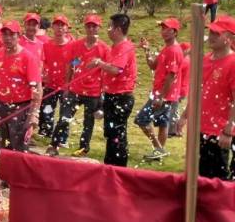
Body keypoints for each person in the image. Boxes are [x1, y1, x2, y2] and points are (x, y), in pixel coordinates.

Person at [179, 16, 235, 179]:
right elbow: (197, 92)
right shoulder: (204, 60)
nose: (211, 36)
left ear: (229, 38)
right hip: (199, 129)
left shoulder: (232, 63)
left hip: (218, 132)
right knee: (197, 177)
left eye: (217, 34)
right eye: (210, 32)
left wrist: (228, 130)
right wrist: (184, 117)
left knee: (216, 180)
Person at [0, 21, 41, 152]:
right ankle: (7, 171)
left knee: (19, 146)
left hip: (21, 108)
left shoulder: (27, 58)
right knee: (5, 143)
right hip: (2, 105)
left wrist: (33, 115)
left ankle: (20, 171)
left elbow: (38, 88)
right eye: (5, 35)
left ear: (19, 36)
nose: (7, 38)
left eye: (11, 35)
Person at [61, 14, 110, 156]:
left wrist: (103, 92)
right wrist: (67, 85)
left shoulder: (104, 49)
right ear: (85, 27)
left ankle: (83, 148)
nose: (91, 28)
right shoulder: (76, 45)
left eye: (94, 26)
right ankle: (55, 143)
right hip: (75, 89)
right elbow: (72, 64)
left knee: (88, 123)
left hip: (93, 92)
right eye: (88, 26)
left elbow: (107, 70)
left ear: (99, 28)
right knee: (64, 117)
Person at [134, 18, 184, 160]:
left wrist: (161, 96)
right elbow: (153, 66)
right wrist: (147, 51)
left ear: (174, 32)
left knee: (141, 119)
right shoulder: (166, 48)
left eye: (166, 28)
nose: (163, 31)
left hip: (164, 95)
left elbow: (171, 76)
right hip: (164, 94)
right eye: (162, 28)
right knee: (163, 123)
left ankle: (158, 148)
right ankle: (158, 153)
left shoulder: (174, 50)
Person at [95, 13, 137, 167]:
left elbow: (115, 70)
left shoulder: (124, 47)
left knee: (117, 133)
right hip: (112, 95)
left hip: (121, 97)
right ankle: (110, 164)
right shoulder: (115, 47)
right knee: (111, 132)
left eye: (110, 26)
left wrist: (100, 63)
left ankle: (118, 167)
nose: (108, 30)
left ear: (118, 29)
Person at [40, 15, 72, 148]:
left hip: (66, 85)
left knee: (65, 113)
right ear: (52, 27)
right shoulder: (46, 44)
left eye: (62, 25)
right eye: (57, 24)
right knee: (47, 110)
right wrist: (43, 74)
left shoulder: (72, 44)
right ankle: (46, 134)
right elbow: (43, 61)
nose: (59, 27)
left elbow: (77, 61)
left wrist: (70, 79)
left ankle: (62, 138)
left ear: (67, 28)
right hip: (50, 84)